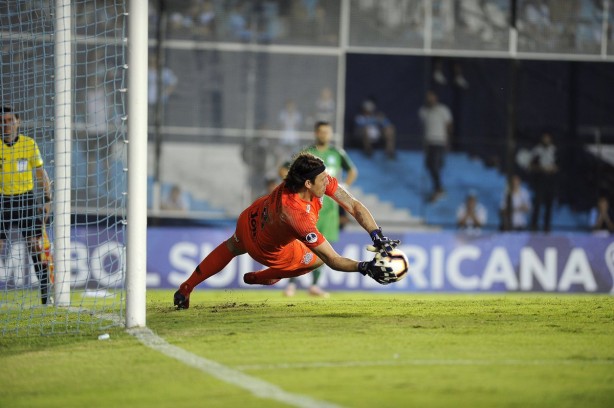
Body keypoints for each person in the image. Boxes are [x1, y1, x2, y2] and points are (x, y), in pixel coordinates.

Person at [173, 152, 400, 309]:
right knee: (316, 260)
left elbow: (353, 205)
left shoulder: (307, 180)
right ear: (308, 184)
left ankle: (186, 287)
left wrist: (376, 234)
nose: (328, 181)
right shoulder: (296, 216)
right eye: (322, 179)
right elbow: (331, 259)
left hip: (248, 220)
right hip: (265, 249)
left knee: (231, 246)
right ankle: (266, 276)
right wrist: (365, 267)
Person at [284, 121, 358, 298]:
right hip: (308, 204)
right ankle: (291, 284)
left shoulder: (337, 153)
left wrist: (344, 186)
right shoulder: (307, 153)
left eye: (327, 132)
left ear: (330, 134)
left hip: (329, 209)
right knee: (302, 243)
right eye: (321, 132)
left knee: (325, 247)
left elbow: (352, 171)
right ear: (316, 133)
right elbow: (284, 169)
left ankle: (315, 285)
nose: (324, 135)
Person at [0, 106, 54, 305]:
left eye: (10, 120)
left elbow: (41, 173)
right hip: (2, 201)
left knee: (34, 246)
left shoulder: (29, 144)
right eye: (3, 121)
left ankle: (44, 293)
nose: (6, 124)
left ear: (18, 122)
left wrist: (48, 200)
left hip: (26, 200)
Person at [418, 90, 452, 203]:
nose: (430, 99)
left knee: (435, 165)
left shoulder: (443, 110)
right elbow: (424, 127)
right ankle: (437, 188)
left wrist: (448, 140)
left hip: (439, 142)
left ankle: (439, 189)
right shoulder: (423, 111)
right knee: (429, 165)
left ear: (436, 97)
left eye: (431, 97)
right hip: (429, 143)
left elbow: (448, 125)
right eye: (428, 97)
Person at [529, 132, 558, 232]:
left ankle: (547, 226)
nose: (546, 139)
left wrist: (554, 169)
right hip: (540, 179)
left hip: (550, 180)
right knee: (538, 203)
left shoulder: (554, 150)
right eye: (544, 138)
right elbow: (531, 165)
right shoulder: (537, 150)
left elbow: (559, 165)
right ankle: (534, 225)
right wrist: (542, 168)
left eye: (548, 138)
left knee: (549, 204)